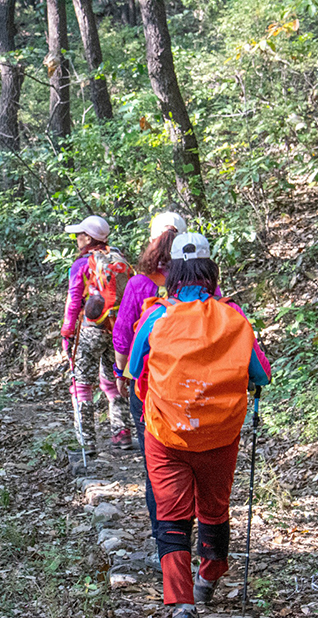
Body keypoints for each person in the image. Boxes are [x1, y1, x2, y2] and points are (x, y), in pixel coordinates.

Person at [126, 232, 270, 618]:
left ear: (171, 272)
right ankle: (209, 575)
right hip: (221, 435)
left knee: (172, 519)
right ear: (210, 271)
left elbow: (135, 371)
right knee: (214, 509)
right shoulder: (235, 318)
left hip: (166, 434)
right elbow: (261, 375)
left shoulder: (156, 317)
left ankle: (183, 607)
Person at [111, 212, 187, 552]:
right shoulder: (202, 286)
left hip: (149, 388)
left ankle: (165, 544)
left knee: (157, 467)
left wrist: (122, 375)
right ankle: (191, 539)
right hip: (194, 388)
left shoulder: (139, 284)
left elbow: (123, 338)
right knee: (192, 464)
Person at [60, 216, 133, 466]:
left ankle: (86, 442)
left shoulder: (81, 264)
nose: (76, 239)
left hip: (90, 329)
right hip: (117, 329)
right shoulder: (118, 257)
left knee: (81, 384)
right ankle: (122, 433)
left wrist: (67, 332)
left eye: (79, 234)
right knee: (113, 379)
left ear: (88, 238)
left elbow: (73, 300)